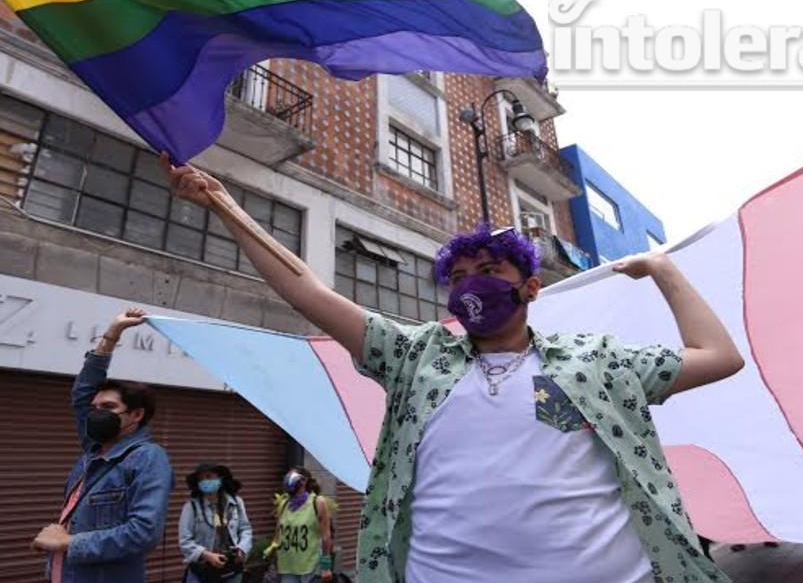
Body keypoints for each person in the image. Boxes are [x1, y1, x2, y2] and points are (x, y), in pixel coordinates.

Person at [164, 156, 744, 583]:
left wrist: (662, 269)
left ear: (531, 288)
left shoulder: (595, 360)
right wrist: (224, 203)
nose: (473, 286)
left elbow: (719, 356)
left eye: (490, 270)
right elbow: (307, 291)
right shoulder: (413, 355)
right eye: (460, 277)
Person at [30, 307, 174, 582]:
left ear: (136, 415)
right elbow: (82, 392)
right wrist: (112, 334)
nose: (96, 412)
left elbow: (144, 532)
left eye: (108, 407)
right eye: (95, 407)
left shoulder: (147, 458)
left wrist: (69, 543)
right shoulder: (93, 450)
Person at [180, 463, 254, 583]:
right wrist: (206, 555)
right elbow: (185, 541)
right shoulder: (191, 507)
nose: (205, 481)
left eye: (209, 477)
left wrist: (242, 549)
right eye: (201, 479)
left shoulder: (236, 503)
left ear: (220, 479)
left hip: (232, 570)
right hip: (202, 572)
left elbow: (245, 529)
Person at [272, 466, 335, 583]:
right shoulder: (284, 504)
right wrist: (272, 553)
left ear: (303, 481)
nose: (287, 479)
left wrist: (326, 566)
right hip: (287, 565)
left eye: (291, 476)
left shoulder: (318, 502)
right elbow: (278, 534)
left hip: (310, 565)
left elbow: (326, 536)